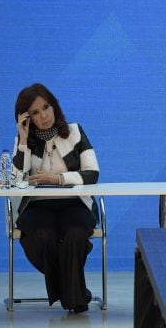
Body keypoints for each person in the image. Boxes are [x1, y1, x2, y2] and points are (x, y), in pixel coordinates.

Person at [10, 83, 100, 313]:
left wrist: (57, 178)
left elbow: (92, 173)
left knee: (75, 233)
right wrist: (22, 138)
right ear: (27, 118)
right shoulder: (24, 142)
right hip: (37, 205)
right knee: (42, 235)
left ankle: (72, 294)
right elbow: (15, 179)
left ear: (54, 105)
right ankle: (77, 294)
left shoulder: (75, 132)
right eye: (35, 112)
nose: (43, 116)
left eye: (46, 107)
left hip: (75, 203)